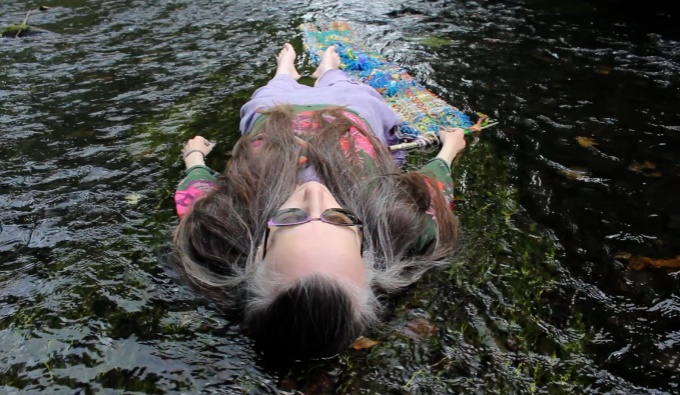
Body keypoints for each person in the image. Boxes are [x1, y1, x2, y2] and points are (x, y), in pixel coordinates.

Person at [172, 43, 469, 360]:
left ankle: (286, 68)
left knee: (273, 90)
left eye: (290, 218)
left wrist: (194, 155)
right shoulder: (399, 225)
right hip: (349, 113)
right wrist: (448, 150)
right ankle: (328, 68)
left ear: (258, 250)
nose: (315, 194)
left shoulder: (222, 227)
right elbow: (434, 188)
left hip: (275, 116)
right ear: (364, 246)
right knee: (343, 85)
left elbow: (196, 192)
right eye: (339, 218)